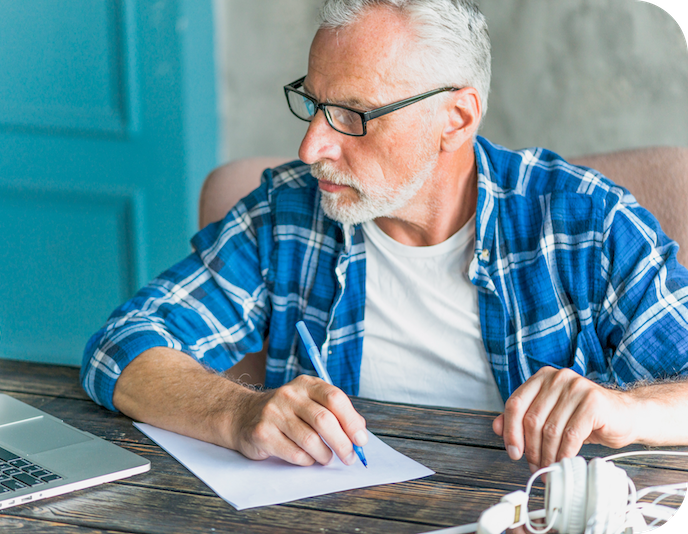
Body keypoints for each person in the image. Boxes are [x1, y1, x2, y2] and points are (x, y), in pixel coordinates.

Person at [81, 0, 688, 475]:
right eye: (314, 104)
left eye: (353, 115)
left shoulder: (585, 221)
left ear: (456, 118)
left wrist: (625, 409)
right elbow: (122, 346)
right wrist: (238, 411)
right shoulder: (288, 212)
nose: (311, 147)